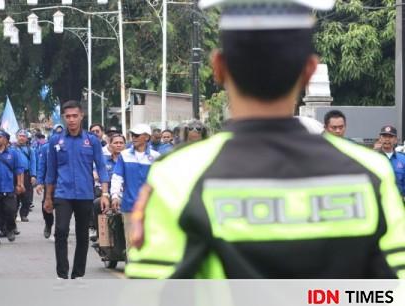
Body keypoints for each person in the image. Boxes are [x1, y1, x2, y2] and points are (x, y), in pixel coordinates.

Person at [126, 0, 405, 280]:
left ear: (219, 68)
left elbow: (151, 298)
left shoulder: (177, 177)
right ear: (309, 71)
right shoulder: (370, 172)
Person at [45, 100, 110, 279]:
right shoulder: (55, 141)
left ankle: (78, 274)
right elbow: (51, 171)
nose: (72, 120)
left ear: (81, 116)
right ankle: (62, 274)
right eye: (68, 116)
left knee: (82, 235)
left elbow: (102, 168)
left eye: (75, 116)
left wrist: (105, 193)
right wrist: (48, 198)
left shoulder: (92, 141)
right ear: (64, 118)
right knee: (61, 231)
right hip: (62, 194)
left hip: (85, 194)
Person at [110, 124, 160, 251]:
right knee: (131, 242)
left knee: (150, 242)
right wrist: (115, 196)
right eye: (132, 135)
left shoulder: (155, 157)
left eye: (137, 135)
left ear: (147, 137)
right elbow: (117, 176)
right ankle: (133, 269)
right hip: (129, 205)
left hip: (150, 207)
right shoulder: (125, 155)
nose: (134, 138)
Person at [90, 133, 126, 242]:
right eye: (116, 143)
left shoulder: (129, 159)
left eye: (121, 143)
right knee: (96, 203)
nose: (118, 145)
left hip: (126, 193)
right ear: (110, 145)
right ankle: (98, 232)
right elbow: (97, 173)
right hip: (106, 191)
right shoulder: (103, 159)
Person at [14, 129, 36, 222]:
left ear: (27, 138)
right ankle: (13, 214)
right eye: (20, 136)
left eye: (24, 136)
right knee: (14, 197)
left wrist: (33, 175)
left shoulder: (30, 150)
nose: (22, 138)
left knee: (27, 197)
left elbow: (33, 163)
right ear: (17, 137)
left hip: (27, 174)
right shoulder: (12, 148)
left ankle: (24, 214)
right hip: (15, 175)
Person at [377, 126, 405, 198]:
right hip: (378, 203)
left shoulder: (403, 159)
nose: (387, 139)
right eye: (384, 136)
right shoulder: (372, 157)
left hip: (398, 203)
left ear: (395, 140)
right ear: (380, 139)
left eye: (390, 137)